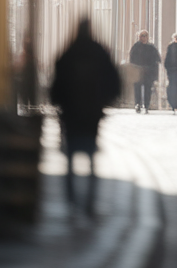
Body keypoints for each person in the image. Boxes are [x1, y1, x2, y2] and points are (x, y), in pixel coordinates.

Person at [49, 19, 121, 216]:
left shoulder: (68, 52)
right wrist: (105, 101)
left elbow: (56, 86)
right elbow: (114, 82)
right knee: (90, 158)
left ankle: (71, 202)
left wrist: (59, 103)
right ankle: (89, 202)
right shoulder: (100, 53)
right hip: (92, 115)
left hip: (71, 115)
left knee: (70, 159)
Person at [128, 30, 160, 113]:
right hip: (138, 70)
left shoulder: (151, 47)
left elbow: (157, 59)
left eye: (145, 35)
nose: (143, 37)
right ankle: (137, 103)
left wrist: (153, 69)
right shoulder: (135, 46)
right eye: (142, 35)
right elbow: (131, 58)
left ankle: (146, 105)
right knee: (137, 88)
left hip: (148, 71)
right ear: (139, 37)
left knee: (148, 89)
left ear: (147, 37)